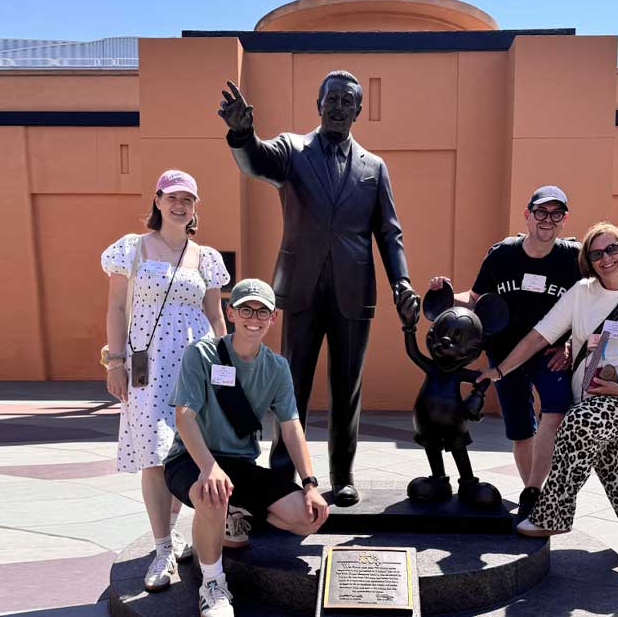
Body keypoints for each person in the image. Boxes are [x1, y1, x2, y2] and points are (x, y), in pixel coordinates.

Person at [218, 72, 421, 506]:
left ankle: (343, 474)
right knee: (291, 384)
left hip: (354, 291)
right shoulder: (292, 150)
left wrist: (400, 280)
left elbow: (389, 232)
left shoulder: (374, 167)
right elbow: (255, 160)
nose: (339, 106)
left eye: (349, 101)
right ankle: (282, 473)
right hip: (301, 289)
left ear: (359, 111)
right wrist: (242, 133)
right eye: (332, 98)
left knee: (347, 385)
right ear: (318, 103)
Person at [478, 222, 618, 587]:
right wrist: (501, 370)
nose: (606, 258)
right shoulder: (582, 293)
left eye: (612, 249)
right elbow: (540, 335)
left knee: (578, 422)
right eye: (596, 253)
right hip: (592, 401)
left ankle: (553, 512)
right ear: (588, 261)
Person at [165, 279, 330, 617]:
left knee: (307, 518)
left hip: (240, 464)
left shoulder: (277, 367)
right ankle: (212, 584)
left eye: (263, 311)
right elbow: (184, 416)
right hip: (191, 458)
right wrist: (209, 468)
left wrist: (311, 485)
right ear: (232, 312)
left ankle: (232, 513)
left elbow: (291, 426)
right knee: (211, 493)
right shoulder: (202, 353)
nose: (254, 318)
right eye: (246, 309)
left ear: (273, 318)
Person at [100, 169, 230, 593]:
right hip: (149, 367)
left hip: (196, 365)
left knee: (186, 452)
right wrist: (114, 362)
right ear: (157, 200)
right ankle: (162, 550)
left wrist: (227, 369)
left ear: (195, 208)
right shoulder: (131, 249)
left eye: (188, 199)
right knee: (156, 456)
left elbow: (215, 316)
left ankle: (174, 533)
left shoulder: (205, 257)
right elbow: (117, 309)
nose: (180, 205)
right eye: (173, 197)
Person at [427, 185, 581, 518]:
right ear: (527, 215)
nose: (547, 220)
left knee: (554, 412)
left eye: (556, 214)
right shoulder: (503, 254)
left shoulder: (572, 258)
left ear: (564, 219)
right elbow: (476, 298)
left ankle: (534, 489)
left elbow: (593, 306)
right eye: (541, 212)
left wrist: (569, 343)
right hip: (504, 352)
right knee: (520, 428)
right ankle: (532, 498)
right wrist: (445, 293)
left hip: (548, 352)